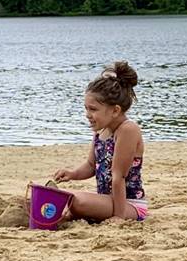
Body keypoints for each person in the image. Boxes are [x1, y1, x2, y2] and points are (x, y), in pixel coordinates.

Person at [49, 62, 147, 221]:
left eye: (93, 109)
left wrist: (118, 217)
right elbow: (90, 166)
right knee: (66, 200)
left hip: (127, 204)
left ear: (115, 110)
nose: (87, 114)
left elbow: (119, 176)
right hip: (106, 200)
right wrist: (72, 173)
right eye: (86, 108)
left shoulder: (127, 130)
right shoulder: (101, 131)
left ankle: (69, 211)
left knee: (75, 200)